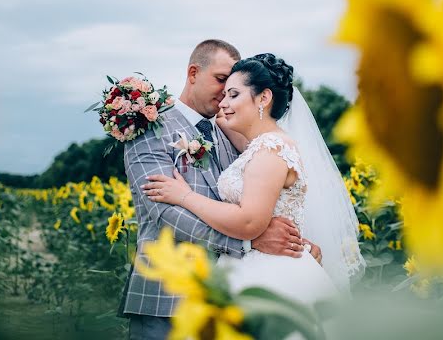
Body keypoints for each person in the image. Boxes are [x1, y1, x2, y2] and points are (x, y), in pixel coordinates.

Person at [120, 41, 320, 340]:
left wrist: (294, 243)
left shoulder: (229, 130)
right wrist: (251, 242)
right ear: (192, 73)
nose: (225, 95)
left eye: (232, 88)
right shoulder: (150, 127)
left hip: (229, 295)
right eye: (220, 80)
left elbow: (263, 194)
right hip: (169, 297)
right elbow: (164, 213)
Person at [143, 53, 364, 312]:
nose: (222, 104)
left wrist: (184, 196)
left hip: (271, 276)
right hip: (248, 268)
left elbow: (249, 222)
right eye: (224, 94)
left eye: (233, 94)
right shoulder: (259, 145)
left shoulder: (271, 149)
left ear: (264, 97)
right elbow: (219, 119)